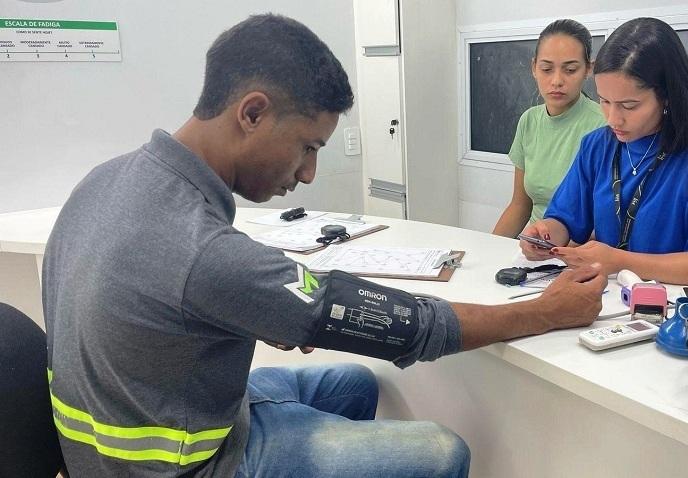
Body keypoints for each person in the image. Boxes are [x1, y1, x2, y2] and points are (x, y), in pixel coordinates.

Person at [43, 14, 606, 478]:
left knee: (354, 383)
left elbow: (168, 299)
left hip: (131, 423)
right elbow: (411, 328)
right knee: (442, 451)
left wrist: (258, 308)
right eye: (308, 147)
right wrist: (546, 311)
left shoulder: (110, 179)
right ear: (253, 112)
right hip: (183, 465)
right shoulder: (205, 251)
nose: (309, 174)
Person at [520, 17, 688, 290]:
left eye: (629, 105)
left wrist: (619, 261)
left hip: (679, 315)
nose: (613, 119)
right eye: (604, 101)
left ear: (666, 96)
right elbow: (564, 220)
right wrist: (545, 235)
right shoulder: (597, 146)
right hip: (609, 307)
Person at [492, 19, 606, 238]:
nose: (556, 81)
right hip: (533, 247)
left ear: (588, 69)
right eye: (546, 69)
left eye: (570, 69)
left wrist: (558, 254)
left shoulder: (604, 125)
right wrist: (491, 248)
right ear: (534, 67)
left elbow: (605, 221)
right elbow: (520, 206)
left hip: (580, 252)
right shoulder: (529, 121)